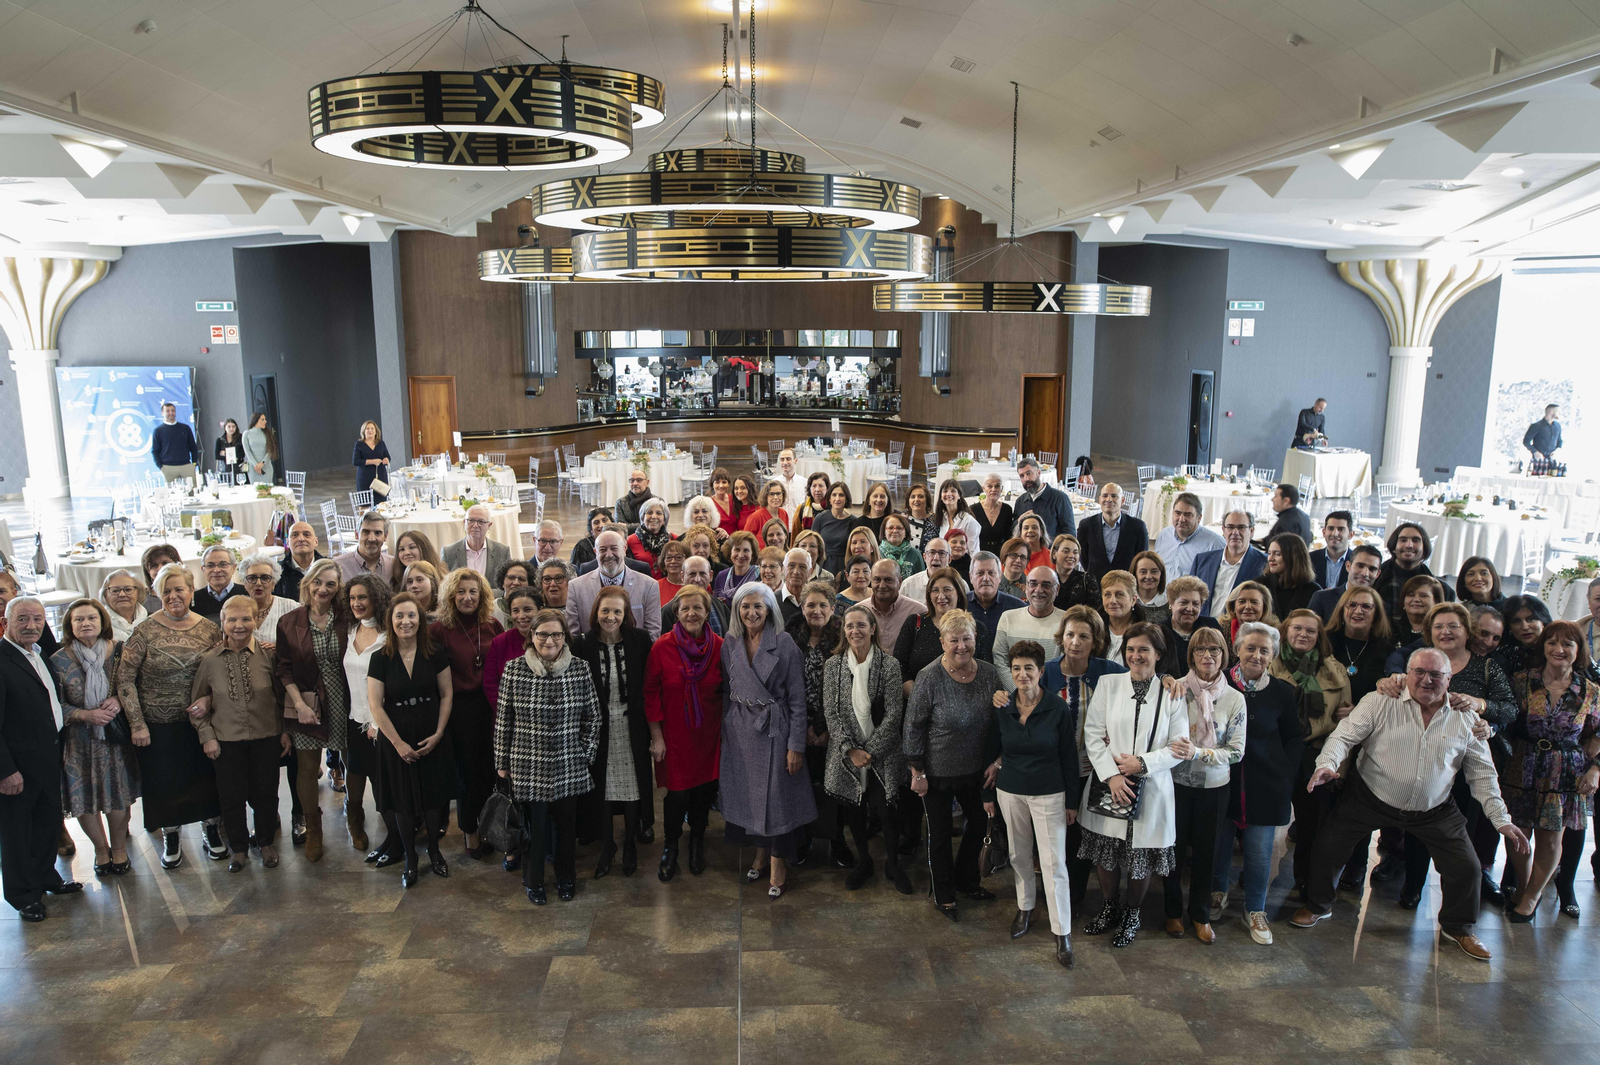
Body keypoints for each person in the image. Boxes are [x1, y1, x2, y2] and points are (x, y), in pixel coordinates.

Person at [1293, 648, 1530, 961]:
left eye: (1436, 674)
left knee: (1467, 867)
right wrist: (1327, 762)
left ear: (1449, 679)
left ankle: (1458, 927)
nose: (1427, 680)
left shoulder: (1466, 717)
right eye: (1419, 672)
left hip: (1435, 807)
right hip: (1370, 796)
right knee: (1329, 845)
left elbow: (1483, 775)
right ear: (1407, 674)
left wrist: (1501, 819)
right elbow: (1344, 736)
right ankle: (1318, 905)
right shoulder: (1379, 701)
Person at [1372, 602, 1516, 910]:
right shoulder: (1416, 662)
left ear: (1467, 631)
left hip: (1465, 764)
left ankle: (1460, 892)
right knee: (1417, 828)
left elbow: (1509, 709)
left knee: (1459, 834)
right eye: (1438, 627)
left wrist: (1480, 705)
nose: (1445, 632)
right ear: (1429, 633)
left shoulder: (1486, 666)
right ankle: (1413, 885)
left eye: (1453, 626)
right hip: (1420, 759)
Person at [1078, 623, 1188, 948]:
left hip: (1151, 788)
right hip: (1111, 786)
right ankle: (1110, 907)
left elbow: (1180, 746)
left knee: (1139, 855)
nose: (1136, 656)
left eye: (1144, 650)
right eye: (1131, 649)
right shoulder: (1109, 684)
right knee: (1107, 852)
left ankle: (1132, 913)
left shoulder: (1172, 692)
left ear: (1158, 654)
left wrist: (1143, 764)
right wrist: (1111, 775)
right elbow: (1093, 733)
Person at [117, 564, 226, 869]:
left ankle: (210, 831)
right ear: (157, 594)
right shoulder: (145, 631)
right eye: (166, 590)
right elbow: (125, 679)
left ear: (192, 591)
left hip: (201, 723)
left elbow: (220, 673)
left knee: (205, 779)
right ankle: (172, 835)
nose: (173, 596)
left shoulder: (209, 629)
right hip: (156, 724)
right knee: (164, 783)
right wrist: (137, 724)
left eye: (179, 589)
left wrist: (207, 699)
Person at [980, 639, 1081, 967]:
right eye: (1016, 668)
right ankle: (1025, 908)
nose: (1022, 674)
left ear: (1041, 671)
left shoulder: (1057, 707)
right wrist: (986, 794)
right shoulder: (1002, 706)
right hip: (1010, 791)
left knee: (1054, 864)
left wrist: (1072, 802)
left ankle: (1061, 930)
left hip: (1049, 793)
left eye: (1029, 668)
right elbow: (991, 751)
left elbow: (1069, 756)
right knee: (1018, 855)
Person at [905, 609, 1005, 920]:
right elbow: (913, 727)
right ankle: (944, 893)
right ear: (942, 642)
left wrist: (998, 760)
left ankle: (967, 880)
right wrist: (917, 772)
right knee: (940, 833)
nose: (961, 645)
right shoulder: (929, 676)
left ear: (976, 639)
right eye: (954, 640)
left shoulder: (989, 674)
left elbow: (1003, 722)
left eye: (966, 638)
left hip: (976, 769)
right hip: (936, 772)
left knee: (978, 825)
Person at [719, 582, 816, 898]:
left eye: (758, 606)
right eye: (745, 607)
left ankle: (778, 864)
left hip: (775, 730)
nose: (751, 612)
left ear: (769, 609)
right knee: (750, 797)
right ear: (737, 610)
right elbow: (728, 690)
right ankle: (760, 853)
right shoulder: (730, 642)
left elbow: (798, 700)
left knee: (774, 802)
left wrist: (795, 745)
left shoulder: (785, 644)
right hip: (741, 731)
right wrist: (726, 729)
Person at [1501, 621, 1600, 921]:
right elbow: (1504, 721)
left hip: (1565, 771)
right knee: (1517, 833)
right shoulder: (1520, 681)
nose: (1559, 650)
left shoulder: (1590, 691)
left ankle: (1531, 896)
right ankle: (1525, 882)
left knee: (1551, 838)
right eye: (1552, 643)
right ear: (1543, 647)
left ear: (1579, 650)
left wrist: (1596, 768)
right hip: (1522, 764)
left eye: (1568, 644)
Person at [1217, 621, 1308, 944]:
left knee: (1258, 852)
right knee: (1219, 845)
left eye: (1264, 650)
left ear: (1273, 655)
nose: (1256, 655)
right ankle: (1217, 893)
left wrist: (1285, 770)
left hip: (1265, 784)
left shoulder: (1283, 692)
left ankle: (1255, 909)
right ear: (1237, 649)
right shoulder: (1219, 682)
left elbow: (1294, 737)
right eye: (1250, 647)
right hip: (1222, 780)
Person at [1041, 606, 1129, 912]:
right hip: (1054, 769)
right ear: (1061, 637)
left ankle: (1075, 895)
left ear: (1096, 641)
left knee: (1081, 835)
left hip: (1095, 771)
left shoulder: (1111, 672)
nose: (1075, 642)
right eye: (1070, 635)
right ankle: (1053, 892)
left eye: (1083, 636)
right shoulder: (1047, 672)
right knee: (1055, 834)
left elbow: (1139, 694)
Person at [0, 597, 83, 919]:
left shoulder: (39, 655)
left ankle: (47, 877)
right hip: (17, 767)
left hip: (47, 757)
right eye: (22, 619)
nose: (31, 625)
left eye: (37, 619)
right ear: (6, 623)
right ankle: (23, 895)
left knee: (47, 824)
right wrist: (6, 771)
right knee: (19, 832)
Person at [189, 596, 286, 871]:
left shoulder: (269, 655)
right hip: (226, 741)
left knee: (266, 793)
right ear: (222, 623)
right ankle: (239, 849)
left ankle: (266, 843)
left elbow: (282, 700)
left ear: (256, 621)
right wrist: (207, 736)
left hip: (266, 737)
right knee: (231, 797)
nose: (239, 625)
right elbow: (197, 705)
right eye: (232, 620)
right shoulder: (210, 660)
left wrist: (285, 732)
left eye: (246, 619)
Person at [1161, 626, 1243, 944]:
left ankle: (1200, 916)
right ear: (1190, 655)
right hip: (1176, 784)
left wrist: (1199, 753)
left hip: (1215, 786)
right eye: (1200, 650)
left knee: (1207, 854)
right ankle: (1171, 912)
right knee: (1173, 851)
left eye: (1214, 650)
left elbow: (1236, 751)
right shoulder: (1176, 689)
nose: (1207, 656)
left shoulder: (1234, 698)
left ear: (1224, 655)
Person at [368, 592, 456, 888]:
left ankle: (433, 849)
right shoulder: (379, 658)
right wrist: (397, 744)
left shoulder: (436, 652)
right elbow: (376, 705)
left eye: (411, 615)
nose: (406, 621)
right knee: (403, 802)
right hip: (396, 737)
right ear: (390, 621)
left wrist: (440, 733)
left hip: (431, 732)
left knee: (432, 799)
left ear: (421, 619)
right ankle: (410, 857)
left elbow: (446, 694)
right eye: (399, 616)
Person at [49, 599, 140, 878]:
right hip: (78, 740)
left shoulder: (121, 651)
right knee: (83, 797)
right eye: (78, 620)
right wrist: (84, 715)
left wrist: (119, 699)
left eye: (91, 618)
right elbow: (53, 704)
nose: (85, 623)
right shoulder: (57, 660)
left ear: (103, 622)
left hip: (114, 738)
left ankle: (119, 847)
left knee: (117, 794)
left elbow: (136, 685)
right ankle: (101, 851)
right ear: (70, 625)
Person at [824, 603, 911, 893]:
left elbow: (894, 714)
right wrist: (851, 750)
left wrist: (870, 752)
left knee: (887, 812)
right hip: (846, 754)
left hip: (882, 753)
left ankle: (893, 864)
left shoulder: (890, 665)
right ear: (843, 631)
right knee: (855, 811)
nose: (855, 630)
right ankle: (864, 862)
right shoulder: (833, 666)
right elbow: (831, 714)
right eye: (849, 626)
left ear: (872, 629)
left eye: (861, 625)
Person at [646, 584, 724, 881]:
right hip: (674, 736)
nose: (692, 613)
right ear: (676, 613)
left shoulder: (720, 646)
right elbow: (650, 693)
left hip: (709, 736)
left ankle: (697, 841)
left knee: (704, 794)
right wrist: (656, 736)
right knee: (676, 796)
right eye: (685, 608)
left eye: (698, 608)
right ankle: (670, 846)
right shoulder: (661, 647)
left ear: (707, 612)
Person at [274, 558, 351, 862]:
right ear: (307, 584)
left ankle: (355, 817)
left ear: (338, 587)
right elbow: (283, 669)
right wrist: (299, 704)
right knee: (306, 767)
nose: (323, 588)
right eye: (318, 582)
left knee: (352, 762)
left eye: (330, 584)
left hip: (346, 699)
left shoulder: (347, 617)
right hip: (308, 704)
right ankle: (314, 830)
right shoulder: (290, 622)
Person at [575, 587, 654, 879]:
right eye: (605, 610)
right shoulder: (582, 644)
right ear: (596, 612)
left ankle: (630, 843)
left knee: (633, 785)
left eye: (617, 611)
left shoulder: (640, 640)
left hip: (632, 724)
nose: (611, 616)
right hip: (598, 727)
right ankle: (607, 845)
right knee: (603, 787)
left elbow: (648, 685)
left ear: (626, 614)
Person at [430, 567, 502, 860]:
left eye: (473, 591)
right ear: (450, 595)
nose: (467, 597)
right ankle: (470, 832)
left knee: (489, 771)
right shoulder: (438, 629)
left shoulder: (492, 625)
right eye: (461, 591)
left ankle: (490, 827)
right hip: (459, 710)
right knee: (466, 775)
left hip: (490, 708)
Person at [784, 578, 850, 866]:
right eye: (811, 604)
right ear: (802, 605)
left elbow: (846, 685)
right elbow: (784, 683)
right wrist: (805, 728)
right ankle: (803, 840)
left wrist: (825, 729)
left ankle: (837, 841)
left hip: (835, 727)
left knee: (834, 788)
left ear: (833, 607)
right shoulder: (790, 634)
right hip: (797, 724)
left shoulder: (842, 636)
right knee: (800, 787)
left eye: (823, 605)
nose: (816, 610)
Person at [342, 574, 394, 864]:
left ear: (376, 598)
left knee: (384, 780)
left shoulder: (389, 634)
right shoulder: (350, 630)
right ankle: (357, 821)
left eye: (363, 597)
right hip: (355, 718)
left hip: (383, 721)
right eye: (352, 598)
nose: (357, 603)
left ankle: (395, 834)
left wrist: (379, 723)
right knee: (359, 772)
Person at [565, 529, 662, 639]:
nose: (609, 554)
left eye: (614, 548)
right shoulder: (575, 587)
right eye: (602, 549)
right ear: (595, 552)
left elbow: (653, 633)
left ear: (624, 549)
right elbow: (573, 635)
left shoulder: (649, 586)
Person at [994, 568, 1067, 688]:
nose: (1038, 590)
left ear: (1057, 589)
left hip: (1052, 698)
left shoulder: (1067, 621)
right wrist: (1019, 693)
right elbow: (1000, 662)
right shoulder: (1007, 618)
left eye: (1046, 585)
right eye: (1033, 584)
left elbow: (1067, 665)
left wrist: (1042, 697)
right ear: (1026, 587)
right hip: (1015, 698)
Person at [1373, 522, 1454, 622]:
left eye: (1416, 540)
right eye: (1403, 540)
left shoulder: (1444, 591)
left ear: (1424, 549)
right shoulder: (1375, 579)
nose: (1409, 545)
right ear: (1393, 547)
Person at [1194, 510, 1267, 618]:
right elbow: (1191, 596)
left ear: (1251, 531)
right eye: (1230, 527)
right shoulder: (1202, 560)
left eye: (1241, 527)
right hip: (1203, 629)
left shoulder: (1264, 564)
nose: (1235, 532)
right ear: (1223, 530)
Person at [1077, 483, 1148, 580]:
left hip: (1125, 584)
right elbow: (1083, 557)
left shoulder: (1137, 527)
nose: (1109, 499)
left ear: (1123, 500)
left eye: (1114, 496)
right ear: (1100, 499)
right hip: (1095, 584)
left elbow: (1142, 559)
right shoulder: (1086, 526)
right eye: (1105, 496)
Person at [1155, 576, 1222, 677]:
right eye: (1184, 602)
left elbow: (1224, 661)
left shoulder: (1211, 625)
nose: (1190, 609)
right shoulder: (1159, 631)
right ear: (1171, 603)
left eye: (1196, 604)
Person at [1154, 492, 1223, 578]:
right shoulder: (1164, 536)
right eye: (1177, 513)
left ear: (1199, 518)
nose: (1181, 519)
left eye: (1188, 515)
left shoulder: (1215, 544)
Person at [1309, 544, 1381, 622]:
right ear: (1348, 566)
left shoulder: (1381, 608)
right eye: (1360, 566)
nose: (1365, 573)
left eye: (1372, 569)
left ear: (1378, 574)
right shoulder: (1322, 599)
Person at [866, 559, 925, 653]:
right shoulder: (860, 610)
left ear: (900, 581)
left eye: (888, 580)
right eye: (877, 580)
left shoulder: (918, 611)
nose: (882, 585)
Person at [663, 556, 730, 635]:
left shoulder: (720, 605)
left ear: (710, 576)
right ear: (682, 577)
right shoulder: (669, 610)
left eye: (702, 574)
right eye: (692, 574)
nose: (697, 579)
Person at [442, 505, 512, 578]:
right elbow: (444, 586)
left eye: (481, 522)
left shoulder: (502, 552)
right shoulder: (448, 553)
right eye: (471, 520)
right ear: (464, 522)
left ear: (489, 525)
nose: (475, 525)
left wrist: (484, 590)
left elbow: (507, 584)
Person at [1261, 533, 1321, 620]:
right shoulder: (1260, 585)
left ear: (1294, 557)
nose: (1270, 558)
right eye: (1269, 553)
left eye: (1277, 554)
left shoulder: (1313, 591)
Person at [1013, 457, 1075, 540]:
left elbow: (1070, 533)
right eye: (1022, 476)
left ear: (1038, 472)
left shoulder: (1060, 498)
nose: (1026, 479)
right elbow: (1014, 532)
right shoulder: (1020, 501)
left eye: (1029, 473)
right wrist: (1018, 521)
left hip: (1052, 551)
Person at [1098, 569, 1145, 662]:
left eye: (1119, 594)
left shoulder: (1147, 633)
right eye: (1107, 594)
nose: (1112, 601)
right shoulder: (1093, 630)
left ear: (1133, 600)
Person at [337, 510, 396, 584]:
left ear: (385, 536)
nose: (371, 539)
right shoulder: (339, 567)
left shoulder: (393, 565)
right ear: (356, 534)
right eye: (365, 532)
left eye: (377, 533)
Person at [811, 482, 857, 576]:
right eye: (834, 495)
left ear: (846, 499)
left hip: (844, 565)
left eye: (841, 495)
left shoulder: (853, 521)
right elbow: (813, 543)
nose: (837, 498)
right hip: (822, 564)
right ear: (829, 499)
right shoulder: (820, 518)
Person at [192, 546, 247, 622]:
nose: (216, 570)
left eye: (223, 564)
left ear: (233, 568)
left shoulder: (246, 594)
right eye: (210, 565)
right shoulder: (194, 600)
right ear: (203, 569)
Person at [1390, 574, 1445, 650]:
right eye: (1411, 595)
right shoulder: (1391, 627)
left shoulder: (1443, 630)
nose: (1416, 599)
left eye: (1423, 595)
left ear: (1436, 601)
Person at [151, 401, 200, 483]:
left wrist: (194, 463)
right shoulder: (158, 431)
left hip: (186, 466)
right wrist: (161, 467)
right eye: (167, 411)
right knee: (171, 494)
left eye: (173, 410)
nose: (171, 413)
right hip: (168, 467)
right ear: (162, 413)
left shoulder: (185, 428)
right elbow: (155, 451)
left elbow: (193, 447)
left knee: (192, 492)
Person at [275, 521, 325, 601]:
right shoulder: (277, 572)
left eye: (306, 534)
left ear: (316, 541)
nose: (301, 539)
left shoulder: (329, 568)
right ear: (287, 542)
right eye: (295, 535)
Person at [901, 538, 960, 603]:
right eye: (932, 552)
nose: (936, 558)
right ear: (924, 557)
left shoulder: (959, 584)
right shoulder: (908, 585)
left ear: (950, 559)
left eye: (942, 553)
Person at [626, 498, 674, 576]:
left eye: (658, 513)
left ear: (664, 519)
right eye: (649, 513)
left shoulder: (673, 539)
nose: (654, 516)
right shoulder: (629, 541)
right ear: (642, 517)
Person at [1051, 534, 1100, 611]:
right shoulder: (1047, 579)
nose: (1071, 555)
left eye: (1075, 552)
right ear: (1054, 554)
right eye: (1066, 551)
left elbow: (1096, 612)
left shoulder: (1087, 579)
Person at [713, 530, 761, 605]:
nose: (741, 555)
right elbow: (717, 607)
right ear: (730, 552)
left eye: (746, 550)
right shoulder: (721, 576)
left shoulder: (760, 576)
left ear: (753, 554)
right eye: (737, 550)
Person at [99, 569, 148, 642]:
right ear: (105, 595)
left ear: (138, 592)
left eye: (128, 589)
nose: (122, 594)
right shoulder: (100, 624)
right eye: (115, 590)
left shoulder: (149, 621)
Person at [972, 473, 1015, 555]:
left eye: (997, 486)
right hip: (979, 552)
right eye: (989, 486)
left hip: (1001, 553)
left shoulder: (1007, 509)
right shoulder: (974, 509)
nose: (993, 489)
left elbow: (1008, 536)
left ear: (1002, 489)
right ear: (984, 488)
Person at [1310, 511, 1354, 589]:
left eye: (1341, 529)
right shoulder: (1310, 559)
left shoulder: (1356, 563)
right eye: (1331, 528)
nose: (1335, 534)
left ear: (1350, 535)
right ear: (1324, 532)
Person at [933, 478, 979, 545]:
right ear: (941, 496)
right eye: (945, 491)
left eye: (953, 491)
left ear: (959, 496)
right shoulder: (941, 518)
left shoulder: (968, 521)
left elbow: (974, 551)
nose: (948, 494)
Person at [139, 545, 182, 615]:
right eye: (154, 566)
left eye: (165, 563)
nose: (161, 569)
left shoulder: (191, 594)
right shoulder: (141, 599)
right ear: (148, 572)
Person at [353, 420, 391, 501]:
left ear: (376, 431)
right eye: (367, 429)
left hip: (380, 477)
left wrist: (386, 460)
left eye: (372, 428)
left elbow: (387, 456)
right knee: (364, 504)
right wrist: (372, 461)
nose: (370, 430)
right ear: (364, 431)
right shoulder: (359, 444)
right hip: (365, 477)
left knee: (381, 503)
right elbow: (355, 461)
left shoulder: (381, 443)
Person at [1131, 551, 1171, 626]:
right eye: (1143, 572)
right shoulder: (1127, 602)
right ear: (1134, 574)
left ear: (1161, 575)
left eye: (1154, 571)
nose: (1149, 576)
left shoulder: (1170, 604)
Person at [878, 513, 922, 579]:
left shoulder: (915, 554)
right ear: (884, 532)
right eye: (890, 528)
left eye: (899, 528)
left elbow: (922, 581)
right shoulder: (877, 552)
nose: (895, 531)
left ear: (906, 532)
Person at [491, 559, 534, 627]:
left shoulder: (534, 610)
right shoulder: (491, 609)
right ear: (502, 582)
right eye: (511, 578)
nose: (516, 583)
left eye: (521, 579)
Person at [790, 473, 833, 538]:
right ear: (809, 488)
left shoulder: (834, 508)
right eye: (814, 486)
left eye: (821, 486)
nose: (817, 489)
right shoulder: (801, 509)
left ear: (827, 488)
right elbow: (795, 535)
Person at [777, 548, 813, 625]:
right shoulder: (773, 601)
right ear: (783, 569)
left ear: (810, 572)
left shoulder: (815, 602)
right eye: (791, 566)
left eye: (802, 567)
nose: (796, 572)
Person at [243, 412, 276, 485]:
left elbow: (269, 450)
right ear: (256, 420)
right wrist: (256, 465)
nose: (265, 421)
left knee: (268, 489)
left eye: (265, 419)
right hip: (253, 467)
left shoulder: (267, 433)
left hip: (266, 465)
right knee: (255, 489)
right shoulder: (247, 434)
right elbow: (247, 451)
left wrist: (262, 463)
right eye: (262, 419)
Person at [902, 483, 936, 549]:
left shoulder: (935, 520)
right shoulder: (903, 518)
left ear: (927, 500)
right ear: (908, 501)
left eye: (921, 496)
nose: (916, 499)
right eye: (913, 497)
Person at [656, 540, 689, 605]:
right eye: (668, 557)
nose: (673, 561)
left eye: (678, 557)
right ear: (663, 561)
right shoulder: (655, 586)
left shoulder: (696, 584)